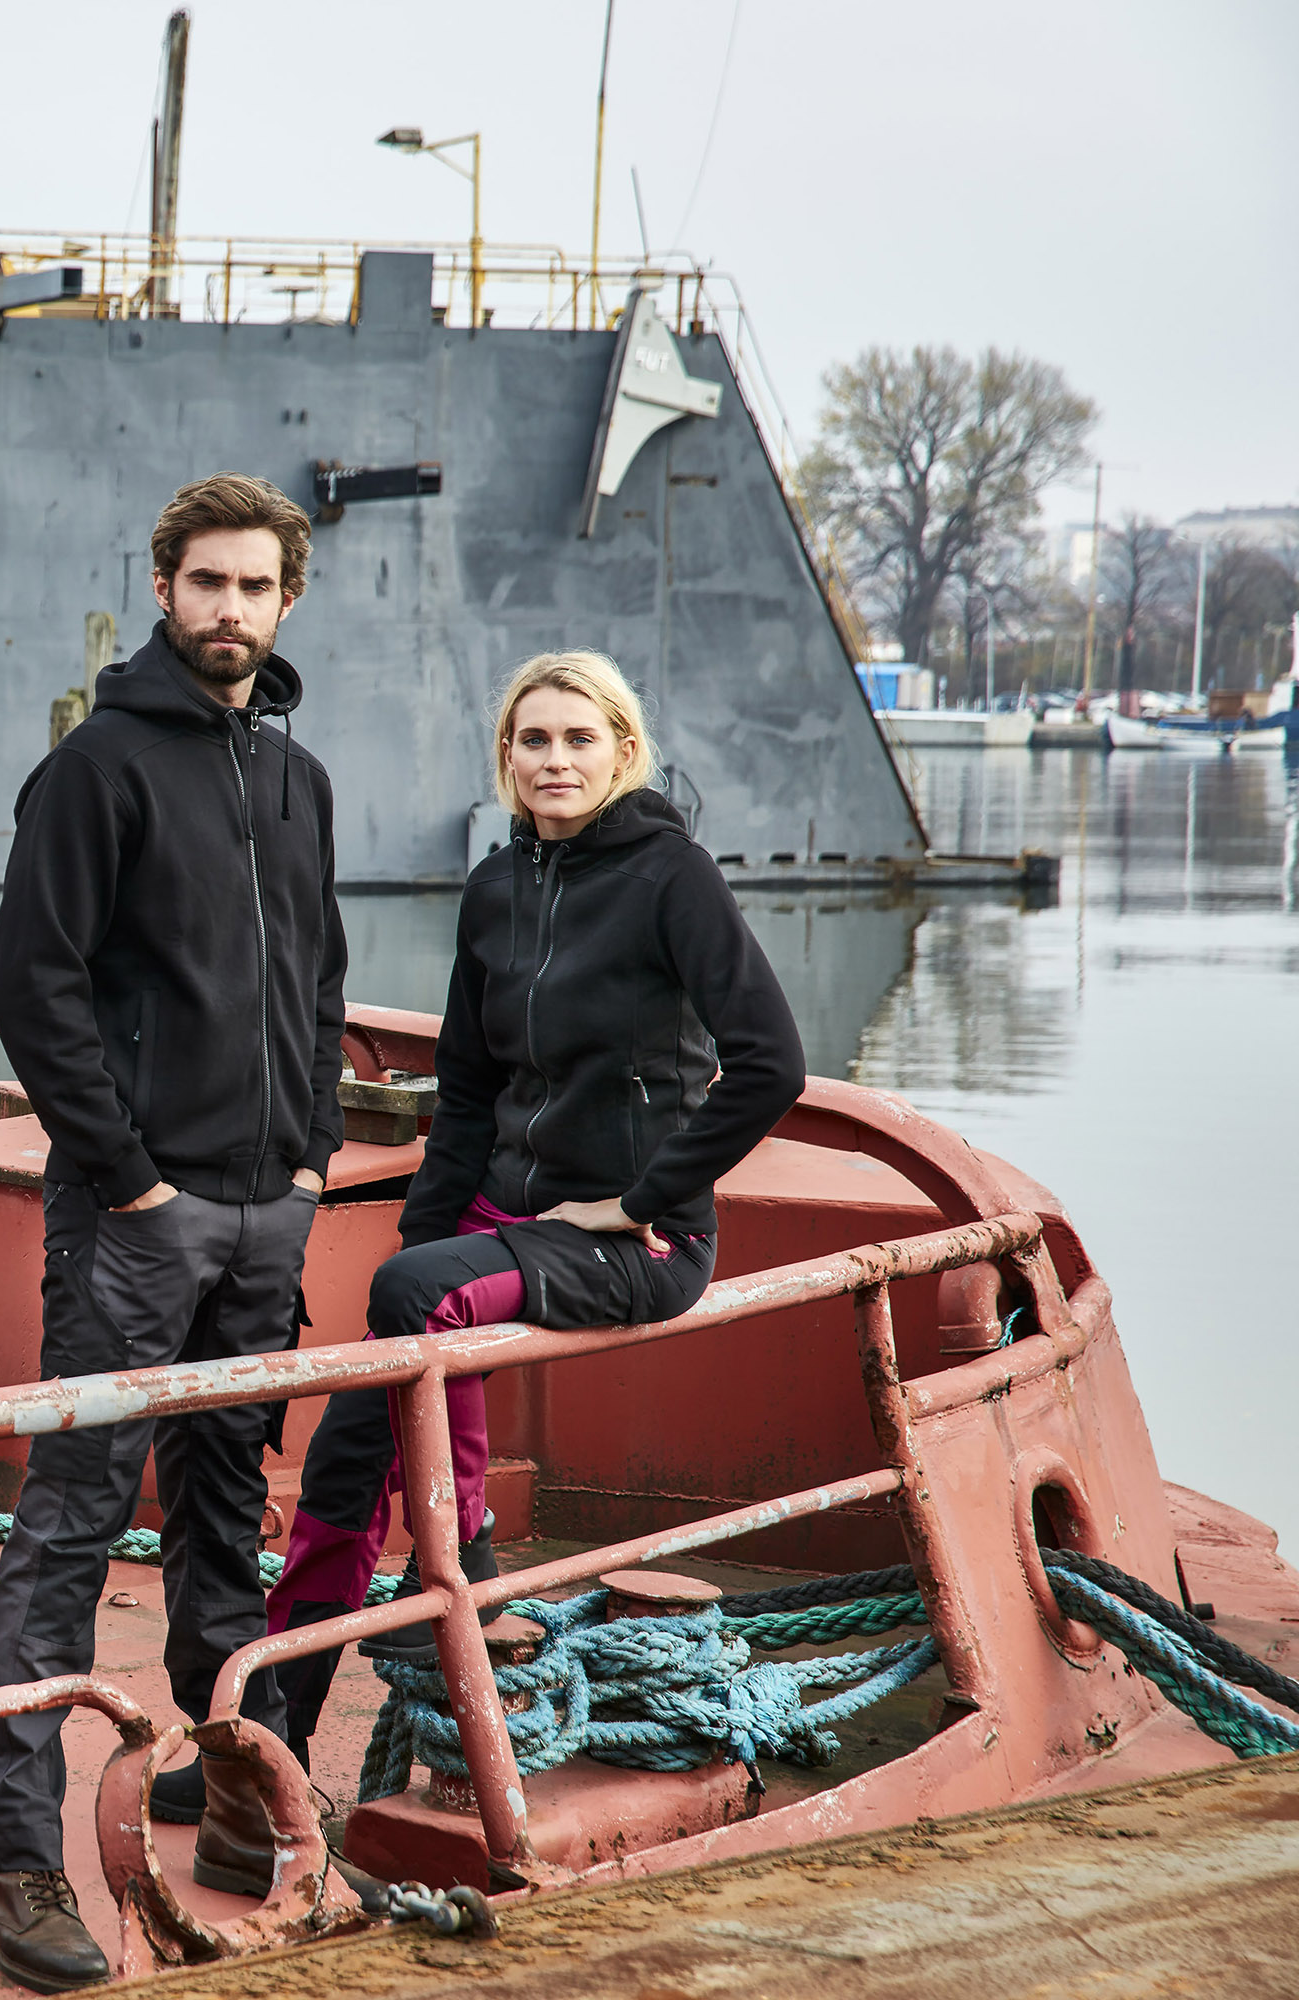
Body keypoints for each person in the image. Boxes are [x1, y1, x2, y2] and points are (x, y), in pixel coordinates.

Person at [264, 650, 805, 1778]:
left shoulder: (673, 877)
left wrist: (645, 1196)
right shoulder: (496, 887)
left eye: (579, 738)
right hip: (495, 1217)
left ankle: (456, 1565)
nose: (555, 760)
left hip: (637, 1236)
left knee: (411, 1310)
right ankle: (272, 1732)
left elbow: (771, 1064)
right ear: (506, 757)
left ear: (623, 751)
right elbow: (467, 1090)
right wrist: (426, 1238)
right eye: (533, 740)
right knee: (355, 1431)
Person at [0, 473, 348, 1992]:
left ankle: (237, 1810)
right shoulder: (97, 768)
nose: (229, 610)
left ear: (287, 601)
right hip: (138, 1222)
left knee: (224, 1513)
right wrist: (127, 1177)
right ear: (164, 587)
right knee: (70, 1523)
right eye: (206, 583)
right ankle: (14, 1867)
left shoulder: (297, 778)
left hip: (264, 1216)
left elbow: (318, 980)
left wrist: (308, 1161)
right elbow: (34, 981)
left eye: (255, 587)